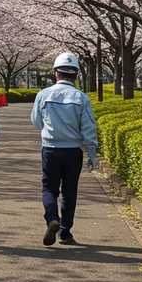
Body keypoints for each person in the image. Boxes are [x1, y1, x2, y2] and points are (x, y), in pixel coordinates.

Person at [31, 51, 98, 246]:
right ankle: (65, 231)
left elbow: (36, 121)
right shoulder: (81, 98)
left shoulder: (43, 94)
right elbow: (88, 128)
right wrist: (91, 152)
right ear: (76, 75)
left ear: (56, 74)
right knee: (70, 190)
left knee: (49, 188)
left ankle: (52, 218)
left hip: (51, 148)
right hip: (73, 151)